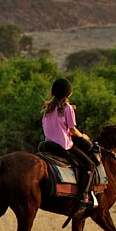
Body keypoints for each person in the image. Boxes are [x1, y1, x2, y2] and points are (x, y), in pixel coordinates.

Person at [41, 78, 98, 214]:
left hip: (48, 145)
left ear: (53, 92)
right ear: (68, 94)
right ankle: (84, 197)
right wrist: (84, 137)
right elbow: (72, 130)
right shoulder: (67, 109)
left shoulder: (47, 109)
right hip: (64, 146)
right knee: (89, 165)